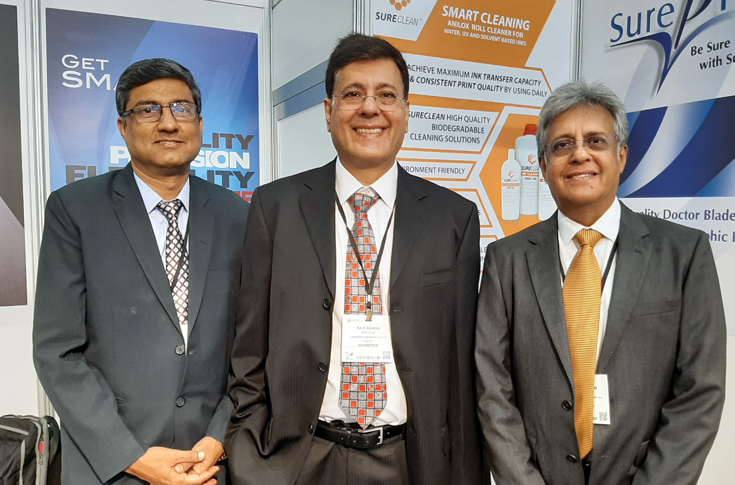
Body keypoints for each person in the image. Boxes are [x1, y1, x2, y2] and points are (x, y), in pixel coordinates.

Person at [226, 33, 482, 485]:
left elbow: (461, 368)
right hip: (297, 460)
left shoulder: (453, 218)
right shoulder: (275, 207)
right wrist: (249, 453)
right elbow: (248, 349)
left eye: (386, 95)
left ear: (406, 112)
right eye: (352, 94)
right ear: (328, 111)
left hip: (410, 461)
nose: (370, 108)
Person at [475, 80, 726, 485]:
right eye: (562, 145)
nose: (579, 154)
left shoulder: (683, 253)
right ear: (542, 166)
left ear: (621, 155)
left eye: (596, 141)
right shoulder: (507, 260)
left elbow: (700, 392)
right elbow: (491, 388)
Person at [33, 58, 249, 485]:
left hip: (210, 464)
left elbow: (251, 349)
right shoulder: (75, 210)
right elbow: (58, 352)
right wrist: (131, 457)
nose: (168, 123)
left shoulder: (237, 215)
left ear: (199, 123)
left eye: (181, 108)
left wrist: (217, 439)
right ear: (123, 126)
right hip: (113, 467)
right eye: (149, 109)